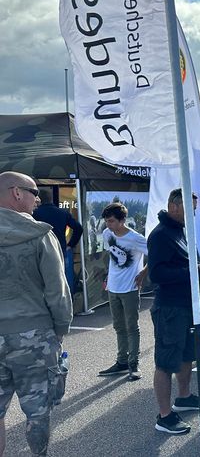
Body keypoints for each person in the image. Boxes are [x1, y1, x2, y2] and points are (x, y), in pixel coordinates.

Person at [0, 172, 73, 457]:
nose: (38, 199)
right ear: (16, 193)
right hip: (33, 335)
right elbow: (58, 290)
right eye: (34, 192)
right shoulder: (40, 234)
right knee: (37, 412)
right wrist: (60, 329)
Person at [147, 188, 200, 435]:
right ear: (174, 206)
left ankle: (184, 397)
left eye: (195, 209)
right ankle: (164, 416)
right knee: (165, 362)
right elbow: (157, 274)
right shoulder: (161, 235)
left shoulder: (180, 231)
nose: (193, 213)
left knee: (187, 354)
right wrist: (193, 270)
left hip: (187, 307)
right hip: (170, 309)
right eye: (190, 208)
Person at [98, 202, 148, 381]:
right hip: (113, 287)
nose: (108, 225)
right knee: (119, 326)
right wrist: (107, 277)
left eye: (111, 221)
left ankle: (134, 364)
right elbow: (111, 258)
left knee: (132, 326)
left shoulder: (135, 238)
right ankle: (121, 361)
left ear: (122, 220)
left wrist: (144, 271)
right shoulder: (106, 233)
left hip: (130, 288)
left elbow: (156, 253)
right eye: (106, 221)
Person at [32, 187, 83, 293]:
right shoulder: (63, 213)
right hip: (60, 251)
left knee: (41, 283)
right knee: (60, 282)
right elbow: (79, 228)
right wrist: (70, 245)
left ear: (38, 199)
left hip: (39, 253)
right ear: (51, 198)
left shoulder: (34, 214)